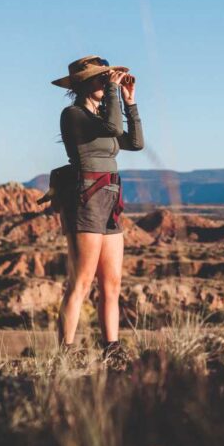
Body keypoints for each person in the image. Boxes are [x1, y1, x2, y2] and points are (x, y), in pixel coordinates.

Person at [50, 55, 144, 364]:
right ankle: (63, 352)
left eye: (107, 77)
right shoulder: (73, 115)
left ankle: (111, 349)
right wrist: (115, 93)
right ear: (81, 83)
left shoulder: (104, 117)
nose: (105, 82)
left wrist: (129, 102)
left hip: (110, 198)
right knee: (82, 281)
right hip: (86, 197)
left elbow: (136, 142)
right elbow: (113, 126)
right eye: (99, 78)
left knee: (112, 282)